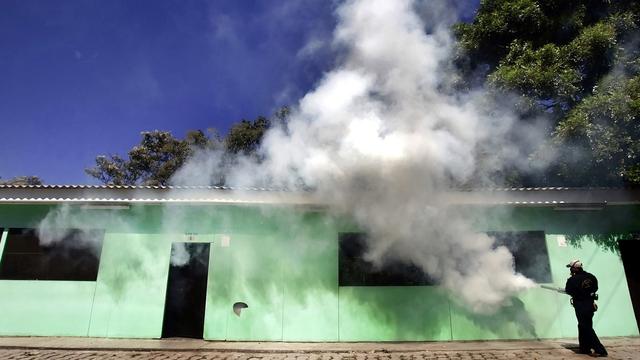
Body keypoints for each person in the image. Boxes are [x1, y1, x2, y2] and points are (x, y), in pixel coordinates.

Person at [564, 259, 608, 357]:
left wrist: (578, 293)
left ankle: (600, 350)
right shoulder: (591, 277)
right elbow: (595, 288)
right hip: (590, 305)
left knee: (586, 327)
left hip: (580, 306)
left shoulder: (572, 280)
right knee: (583, 325)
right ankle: (584, 348)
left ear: (575, 268)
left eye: (571, 268)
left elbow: (568, 291)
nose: (570, 270)